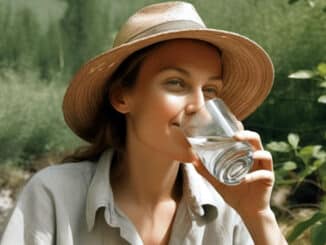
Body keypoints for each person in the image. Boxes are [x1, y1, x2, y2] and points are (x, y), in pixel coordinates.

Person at [1, 1, 288, 244]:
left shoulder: (230, 206)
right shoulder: (54, 196)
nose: (200, 106)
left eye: (210, 90)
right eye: (176, 83)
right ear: (121, 97)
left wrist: (259, 216)